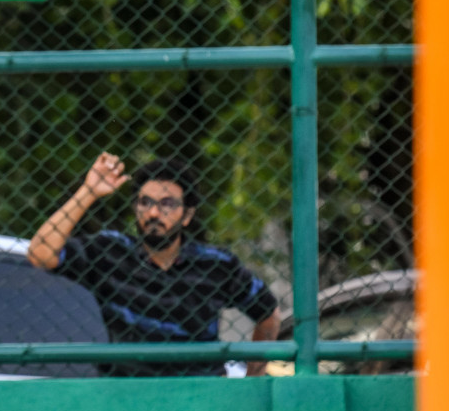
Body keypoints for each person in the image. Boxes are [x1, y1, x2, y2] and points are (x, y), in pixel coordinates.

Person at [26, 154, 280, 377]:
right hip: (130, 398)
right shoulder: (110, 253)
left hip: (200, 399)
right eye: (144, 202)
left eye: (167, 204)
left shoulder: (215, 265)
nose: (153, 214)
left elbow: (267, 315)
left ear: (188, 216)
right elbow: (40, 254)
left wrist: (253, 380)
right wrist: (89, 192)